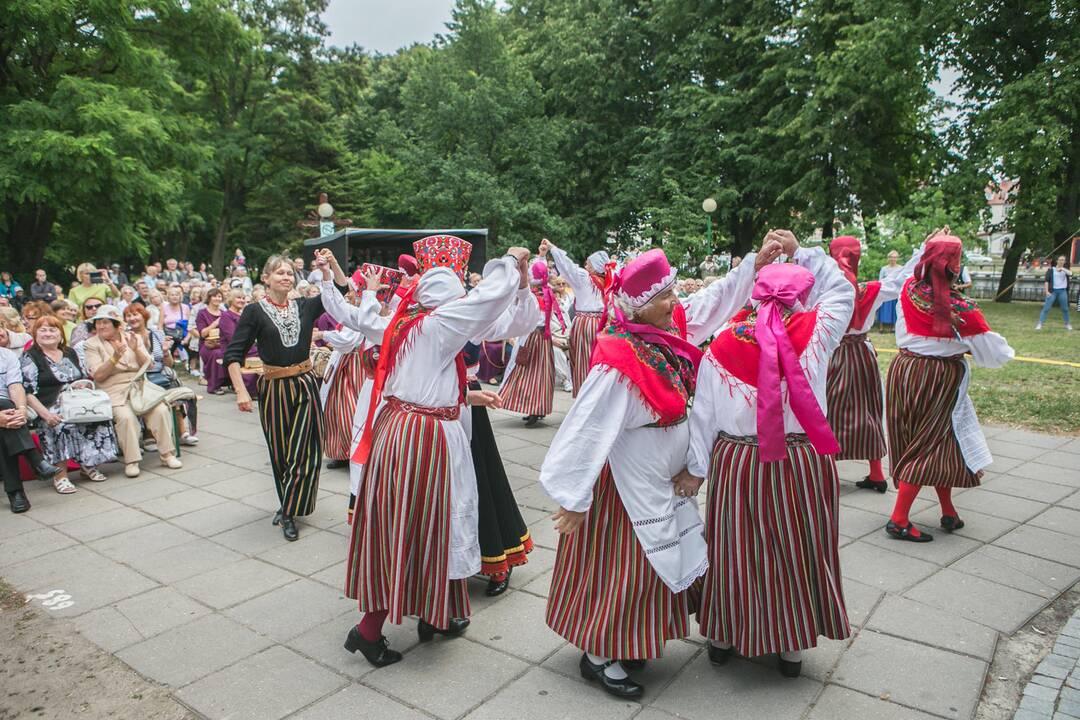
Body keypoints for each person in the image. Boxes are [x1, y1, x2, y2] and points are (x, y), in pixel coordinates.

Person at [539, 241, 775, 697]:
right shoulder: (619, 358)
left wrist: (752, 264)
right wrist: (574, 499)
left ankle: (627, 643)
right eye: (665, 297)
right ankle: (600, 656)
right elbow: (586, 430)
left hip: (660, 483)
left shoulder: (663, 331)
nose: (675, 303)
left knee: (651, 568)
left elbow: (717, 297)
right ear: (641, 306)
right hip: (626, 488)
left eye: (672, 294)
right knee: (623, 570)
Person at [334, 239, 529, 669]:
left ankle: (433, 614)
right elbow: (489, 298)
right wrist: (511, 262)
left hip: (405, 430)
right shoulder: (438, 324)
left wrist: (472, 399)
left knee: (417, 528)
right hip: (420, 438)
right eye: (458, 292)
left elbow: (432, 376)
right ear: (448, 298)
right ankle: (368, 631)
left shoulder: (411, 323)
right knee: (412, 529)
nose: (464, 300)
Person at [683, 231, 854, 680]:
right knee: (795, 547)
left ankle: (721, 636)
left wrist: (697, 471)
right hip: (801, 460)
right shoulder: (819, 327)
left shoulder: (720, 344)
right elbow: (841, 290)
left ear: (756, 293)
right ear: (802, 292)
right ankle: (792, 646)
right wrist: (803, 253)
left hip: (737, 462)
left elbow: (703, 416)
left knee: (733, 547)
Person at [885, 230, 1014, 541]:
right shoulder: (961, 307)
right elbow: (994, 354)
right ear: (955, 267)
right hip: (939, 379)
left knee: (938, 442)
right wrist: (967, 346)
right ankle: (899, 518)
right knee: (930, 444)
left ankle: (948, 510)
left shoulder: (908, 290)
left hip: (904, 370)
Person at [223, 255, 326, 542]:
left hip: (305, 384)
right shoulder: (254, 312)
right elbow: (233, 354)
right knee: (281, 453)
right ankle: (288, 507)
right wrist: (241, 391)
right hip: (274, 388)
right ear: (266, 278)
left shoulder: (304, 305)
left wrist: (329, 268)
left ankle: (289, 512)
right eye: (279, 272)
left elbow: (338, 292)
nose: (286, 277)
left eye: (290, 273)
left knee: (304, 450)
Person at [825, 236, 913, 492]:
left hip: (834, 353)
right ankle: (876, 473)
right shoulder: (870, 289)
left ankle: (827, 471)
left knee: (830, 409)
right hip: (863, 355)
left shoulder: (824, 289)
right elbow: (902, 279)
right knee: (869, 409)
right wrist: (922, 252)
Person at [81, 305, 181, 478]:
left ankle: (167, 454)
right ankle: (131, 460)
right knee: (125, 417)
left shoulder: (131, 337)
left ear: (116, 325)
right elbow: (98, 375)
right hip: (112, 390)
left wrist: (135, 349)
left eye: (105, 323)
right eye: (98, 323)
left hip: (139, 387)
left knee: (161, 410)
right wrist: (114, 358)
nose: (101, 326)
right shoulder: (92, 344)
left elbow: (149, 364)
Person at [22, 316, 119, 492]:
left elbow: (82, 375)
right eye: (42, 330)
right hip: (48, 405)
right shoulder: (31, 356)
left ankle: (88, 464)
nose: (48, 333)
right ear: (34, 334)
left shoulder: (69, 352)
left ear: (61, 334)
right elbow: (27, 392)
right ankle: (60, 475)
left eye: (53, 329)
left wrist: (81, 383)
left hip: (75, 401)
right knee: (61, 425)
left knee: (98, 418)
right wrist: (45, 414)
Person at [499, 259, 566, 426]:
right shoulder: (547, 292)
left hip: (534, 337)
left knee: (530, 373)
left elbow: (532, 317)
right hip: (542, 339)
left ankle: (535, 409)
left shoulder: (533, 293)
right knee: (539, 375)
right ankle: (536, 409)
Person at [540, 239, 609, 396]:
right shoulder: (608, 283)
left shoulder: (585, 279)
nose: (585, 266)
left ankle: (585, 395)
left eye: (588, 264)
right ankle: (600, 395)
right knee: (600, 362)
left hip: (586, 324)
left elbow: (567, 266)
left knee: (583, 361)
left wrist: (552, 248)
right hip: (604, 324)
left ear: (594, 267)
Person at [124, 304, 198, 446]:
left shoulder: (157, 333)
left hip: (160, 374)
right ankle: (148, 434)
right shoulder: (126, 337)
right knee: (148, 395)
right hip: (140, 377)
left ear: (144, 316)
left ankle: (181, 432)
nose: (132, 318)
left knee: (174, 392)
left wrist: (165, 352)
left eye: (135, 314)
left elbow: (169, 363)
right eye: (129, 316)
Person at [195, 289, 227, 394]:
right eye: (214, 296)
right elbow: (203, 333)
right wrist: (216, 323)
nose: (217, 298)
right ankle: (214, 386)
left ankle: (232, 382)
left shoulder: (224, 313)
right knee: (217, 354)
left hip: (222, 343)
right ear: (209, 298)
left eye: (219, 296)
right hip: (208, 345)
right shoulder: (202, 313)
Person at [1036, 255, 1072, 330]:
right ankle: (1040, 324)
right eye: (1060, 260)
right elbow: (1046, 281)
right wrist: (1047, 291)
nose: (1061, 261)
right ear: (1057, 261)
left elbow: (1070, 274)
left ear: (1065, 262)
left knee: (1065, 308)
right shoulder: (1051, 270)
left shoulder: (1065, 270)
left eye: (1063, 260)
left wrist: (1062, 269)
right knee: (1046, 308)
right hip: (1052, 291)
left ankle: (1067, 324)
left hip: (1062, 291)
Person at [877, 250, 903, 331]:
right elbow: (880, 280)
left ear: (897, 258)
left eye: (895, 257)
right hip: (885, 291)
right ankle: (881, 328)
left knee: (894, 310)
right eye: (891, 257)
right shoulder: (884, 269)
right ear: (888, 258)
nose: (893, 259)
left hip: (895, 292)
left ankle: (893, 328)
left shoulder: (900, 268)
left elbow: (901, 280)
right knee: (882, 309)